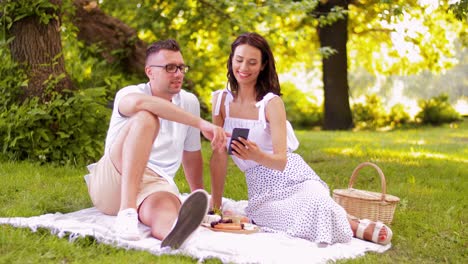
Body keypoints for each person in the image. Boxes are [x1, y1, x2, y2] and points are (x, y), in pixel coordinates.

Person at [209, 32, 393, 245]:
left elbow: (281, 161)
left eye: (252, 62)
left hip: (293, 176)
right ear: (231, 59)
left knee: (316, 203)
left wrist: (256, 154)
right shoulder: (219, 101)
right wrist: (215, 205)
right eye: (239, 60)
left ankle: (352, 225)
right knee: (279, 219)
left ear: (262, 65)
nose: (244, 68)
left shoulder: (271, 103)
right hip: (260, 189)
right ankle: (347, 221)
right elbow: (219, 155)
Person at [86, 39, 227, 249]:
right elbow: (143, 104)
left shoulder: (189, 102)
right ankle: (127, 213)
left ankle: (173, 233)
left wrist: (201, 199)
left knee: (166, 213)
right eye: (170, 68)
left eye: (181, 67)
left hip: (155, 185)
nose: (178, 73)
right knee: (146, 118)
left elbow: (191, 155)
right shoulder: (130, 93)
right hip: (114, 178)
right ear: (149, 71)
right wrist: (200, 123)